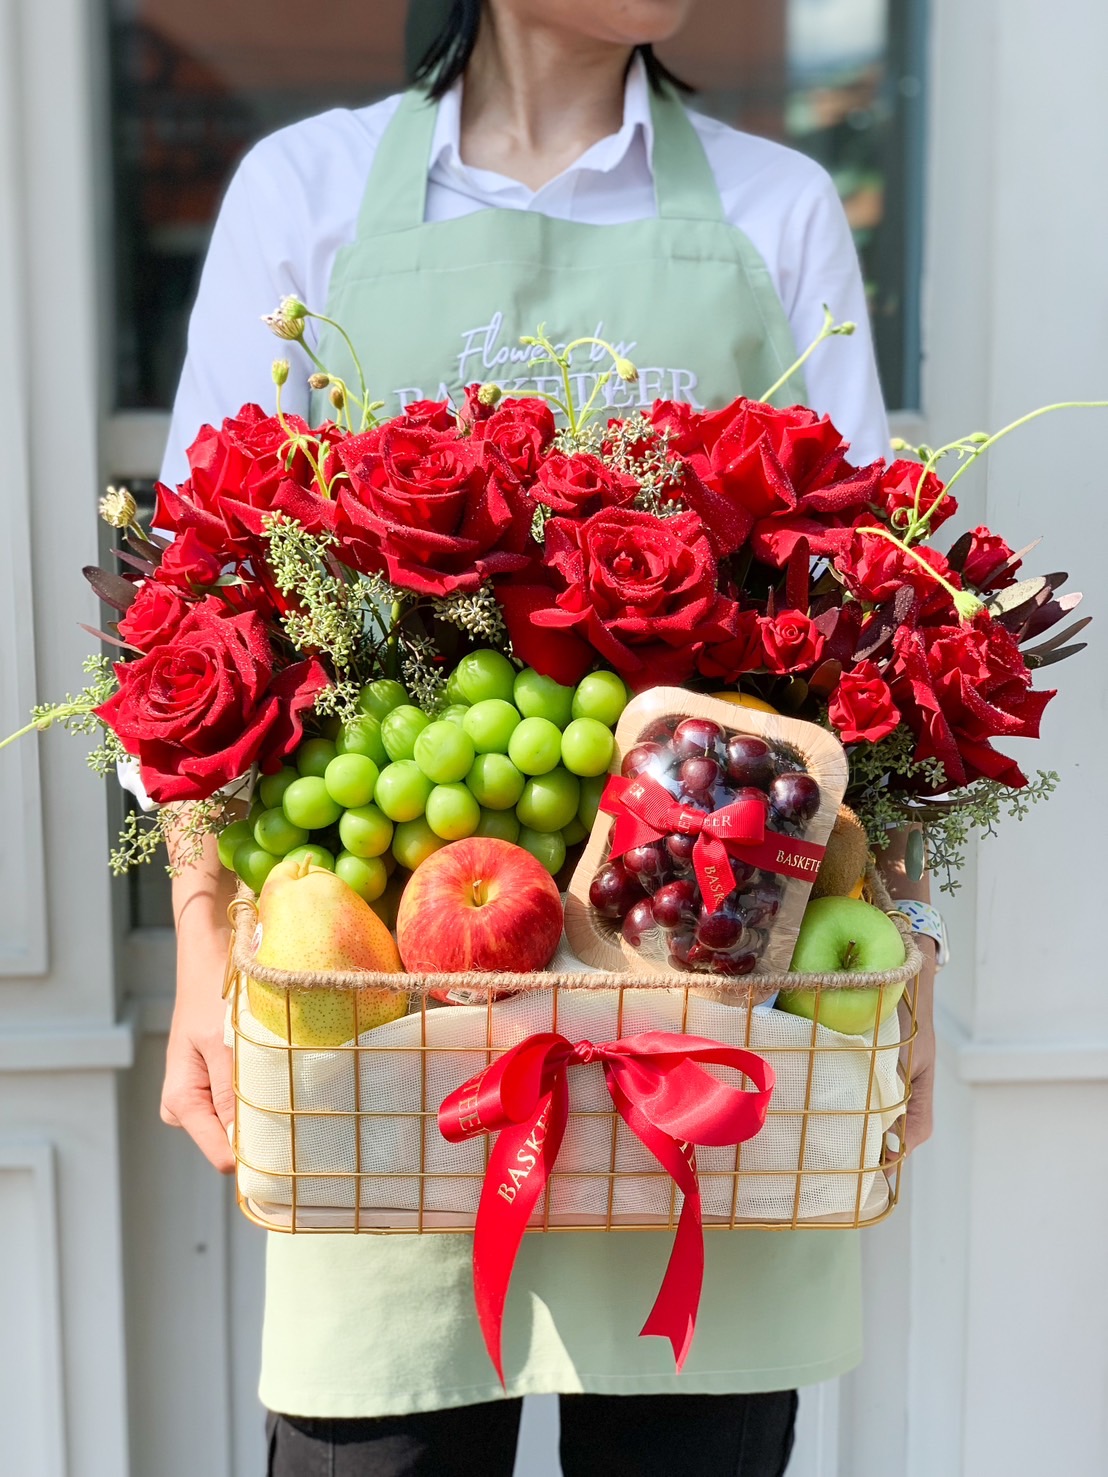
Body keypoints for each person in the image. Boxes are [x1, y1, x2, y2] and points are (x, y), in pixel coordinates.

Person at [159, 3, 938, 1473]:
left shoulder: (778, 212)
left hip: (708, 1048)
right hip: (394, 1038)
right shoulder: (307, 195)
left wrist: (902, 964)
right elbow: (198, 608)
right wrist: (205, 938)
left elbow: (868, 636)